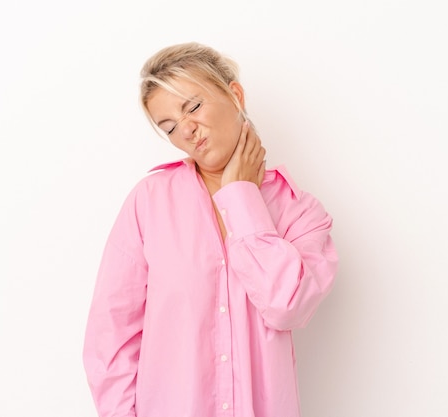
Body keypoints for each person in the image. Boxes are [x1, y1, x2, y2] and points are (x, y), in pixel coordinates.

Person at [82, 42, 338, 417]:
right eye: (168, 126)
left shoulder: (300, 211)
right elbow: (112, 337)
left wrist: (242, 198)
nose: (186, 129)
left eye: (194, 106)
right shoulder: (148, 203)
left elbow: (288, 307)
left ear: (234, 94)